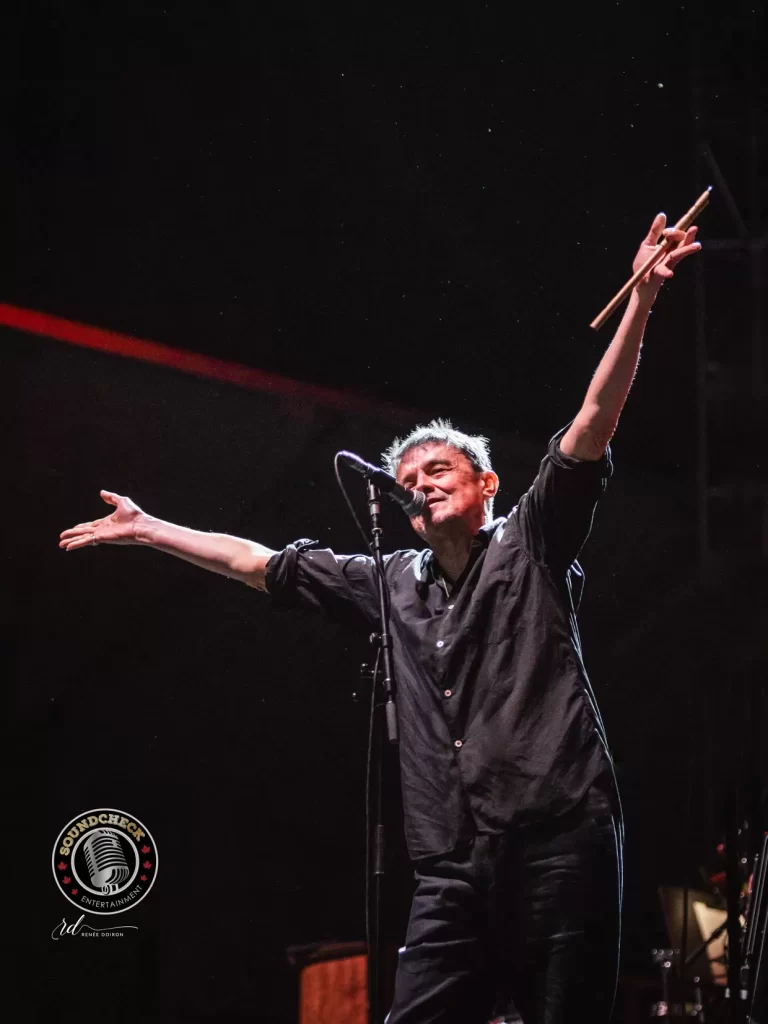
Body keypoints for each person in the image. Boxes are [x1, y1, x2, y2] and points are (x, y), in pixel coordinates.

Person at [60, 214, 701, 1024]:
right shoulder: (391, 582)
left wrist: (640, 300)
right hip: (451, 863)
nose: (421, 484)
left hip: (558, 838)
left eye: (439, 469)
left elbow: (590, 426)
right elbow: (261, 563)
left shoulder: (531, 542)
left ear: (488, 485)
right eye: (409, 481)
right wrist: (152, 529)